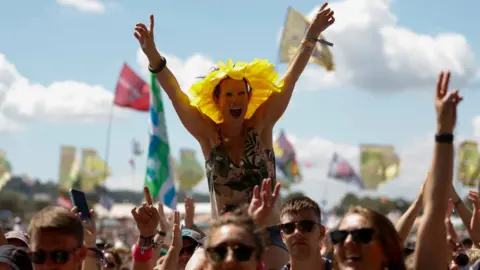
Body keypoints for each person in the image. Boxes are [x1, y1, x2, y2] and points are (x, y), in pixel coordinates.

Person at [134, 3, 335, 269]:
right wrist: (153, 57)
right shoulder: (207, 135)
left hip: (269, 234)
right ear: (217, 100)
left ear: (249, 97)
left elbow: (290, 78)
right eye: (229, 94)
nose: (236, 99)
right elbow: (176, 95)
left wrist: (311, 34)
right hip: (223, 233)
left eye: (242, 93)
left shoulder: (261, 126)